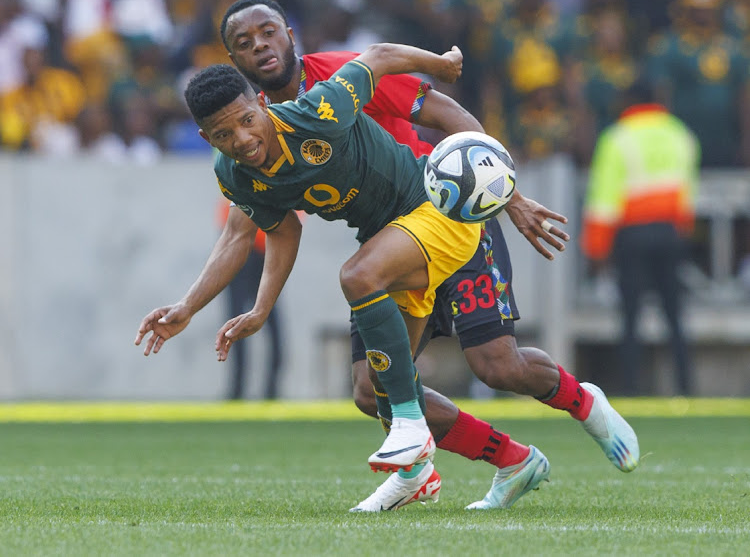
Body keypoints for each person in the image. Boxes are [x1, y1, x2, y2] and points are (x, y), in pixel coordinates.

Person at [136, 41, 557, 513]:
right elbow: (279, 231)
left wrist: (439, 65)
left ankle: (413, 433)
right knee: (371, 388)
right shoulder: (233, 172)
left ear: (262, 104)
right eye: (222, 134)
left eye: (246, 121)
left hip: (436, 212)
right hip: (390, 240)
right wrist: (215, 307)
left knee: (358, 277)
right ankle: (485, 464)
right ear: (204, 136)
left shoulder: (316, 111)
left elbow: (376, 57)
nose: (241, 140)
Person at [581, 81, 700, 396]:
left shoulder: (618, 138)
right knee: (675, 315)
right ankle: (686, 387)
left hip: (631, 235)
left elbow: (604, 200)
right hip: (671, 232)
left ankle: (631, 388)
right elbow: (688, 190)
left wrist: (596, 250)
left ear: (629, 101)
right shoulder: (679, 133)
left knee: (630, 315)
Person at [218, 199, 285, 401]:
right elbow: (227, 224)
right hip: (242, 255)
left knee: (272, 323)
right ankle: (237, 388)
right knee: (234, 326)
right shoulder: (235, 182)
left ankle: (271, 389)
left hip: (267, 254)